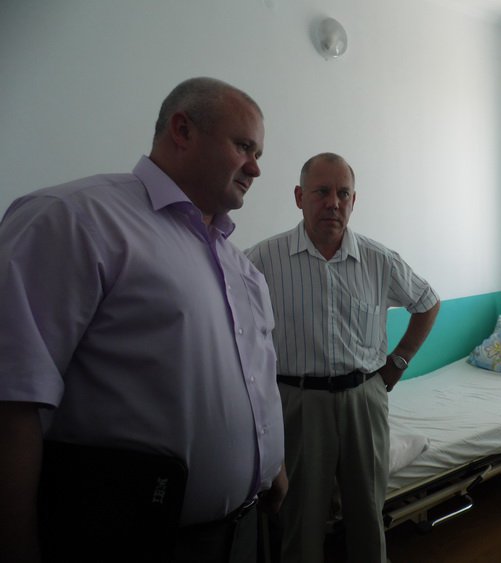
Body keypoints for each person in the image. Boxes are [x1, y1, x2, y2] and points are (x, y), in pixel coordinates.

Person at [0, 77, 287, 563]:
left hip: (244, 529)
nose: (256, 168)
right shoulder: (74, 219)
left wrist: (272, 465)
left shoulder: (241, 267)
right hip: (132, 540)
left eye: (258, 153)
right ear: (182, 130)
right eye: (244, 147)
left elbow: (254, 377)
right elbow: (13, 398)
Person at [246, 152, 440, 563]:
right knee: (300, 520)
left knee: (368, 515)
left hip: (364, 400)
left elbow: (427, 303)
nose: (333, 203)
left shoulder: (378, 260)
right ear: (299, 197)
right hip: (298, 402)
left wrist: (399, 361)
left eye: (343, 193)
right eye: (321, 192)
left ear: (354, 201)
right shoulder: (261, 261)